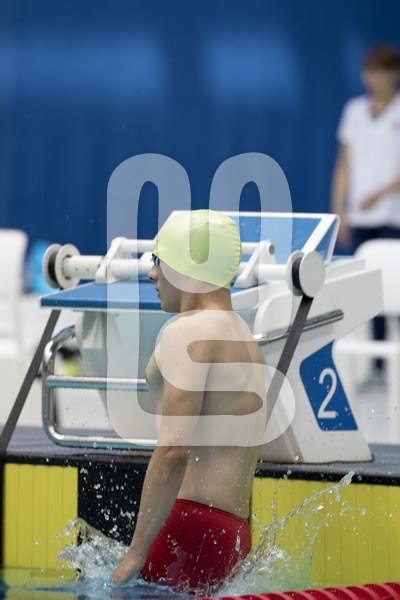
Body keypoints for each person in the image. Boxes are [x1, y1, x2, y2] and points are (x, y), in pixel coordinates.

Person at [111, 210, 265, 593]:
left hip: (190, 526)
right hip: (232, 532)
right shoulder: (244, 337)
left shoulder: (189, 331)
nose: (152, 274)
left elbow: (173, 449)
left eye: (159, 260)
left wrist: (135, 553)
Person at [331, 44, 400, 383]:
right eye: (369, 71)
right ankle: (377, 368)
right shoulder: (354, 111)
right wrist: (339, 210)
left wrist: (382, 192)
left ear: (394, 73)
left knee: (394, 288)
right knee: (371, 293)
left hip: (393, 217)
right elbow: (344, 164)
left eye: (380, 71)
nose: (374, 78)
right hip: (361, 218)